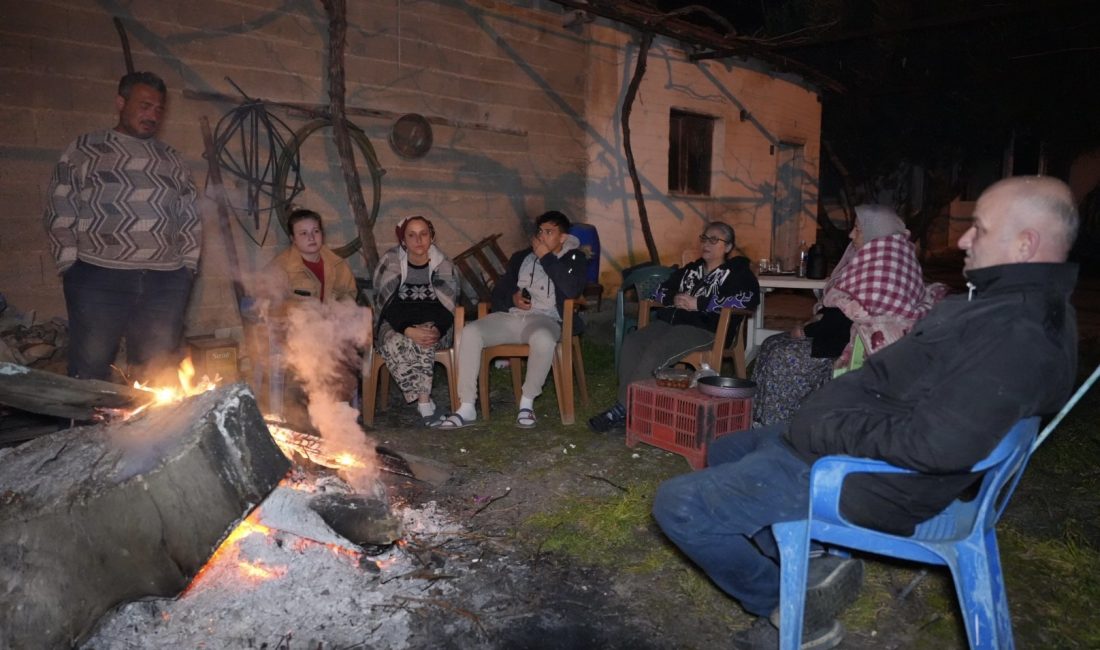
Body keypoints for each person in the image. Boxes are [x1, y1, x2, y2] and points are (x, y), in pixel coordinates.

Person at [651, 176, 1079, 650]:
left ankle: (790, 606)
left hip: (865, 477)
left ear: (1024, 243)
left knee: (679, 504)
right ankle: (808, 560)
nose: (962, 239)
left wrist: (825, 429)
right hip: (846, 447)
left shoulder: (1016, 334)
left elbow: (936, 445)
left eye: (977, 228)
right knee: (729, 447)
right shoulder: (1005, 308)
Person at [43, 71, 201, 384]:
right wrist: (70, 265)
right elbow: (60, 207)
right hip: (99, 276)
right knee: (90, 371)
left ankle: (150, 434)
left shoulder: (173, 160)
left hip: (165, 281)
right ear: (120, 102)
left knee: (156, 375)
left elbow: (191, 217)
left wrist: (188, 267)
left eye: (158, 109)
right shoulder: (86, 149)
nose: (152, 115)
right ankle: (85, 432)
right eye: (144, 106)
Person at [751, 205, 946, 426]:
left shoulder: (882, 265)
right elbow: (843, 311)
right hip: (847, 335)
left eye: (857, 229)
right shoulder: (894, 256)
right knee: (771, 342)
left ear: (875, 232)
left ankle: (778, 425)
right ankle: (759, 417)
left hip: (857, 348)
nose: (851, 235)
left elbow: (847, 318)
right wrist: (815, 323)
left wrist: (807, 330)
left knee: (782, 355)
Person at [588, 222, 761, 433]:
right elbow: (660, 292)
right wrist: (675, 297)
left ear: (727, 247)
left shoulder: (738, 273)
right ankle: (630, 408)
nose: (707, 243)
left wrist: (699, 303)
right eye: (704, 238)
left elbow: (747, 300)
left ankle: (624, 410)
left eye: (714, 240)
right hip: (671, 322)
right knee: (634, 342)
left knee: (657, 350)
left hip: (707, 328)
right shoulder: (691, 269)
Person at [437, 210, 587, 429]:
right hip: (513, 317)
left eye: (549, 232)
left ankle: (526, 404)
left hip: (546, 319)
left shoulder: (575, 257)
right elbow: (497, 294)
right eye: (540, 232)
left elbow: (572, 289)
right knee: (470, 332)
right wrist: (513, 299)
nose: (542, 237)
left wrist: (546, 257)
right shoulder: (522, 258)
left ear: (562, 237)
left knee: (544, 340)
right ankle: (466, 406)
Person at [372, 216, 459, 425]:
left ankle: (423, 402)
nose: (418, 240)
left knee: (426, 338)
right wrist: (407, 329)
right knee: (395, 341)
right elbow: (386, 304)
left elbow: (447, 307)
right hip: (394, 323)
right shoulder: (390, 261)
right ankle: (423, 401)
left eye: (424, 234)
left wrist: (436, 329)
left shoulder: (444, 265)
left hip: (436, 325)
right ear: (403, 241)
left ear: (432, 237)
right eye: (411, 235)